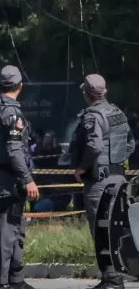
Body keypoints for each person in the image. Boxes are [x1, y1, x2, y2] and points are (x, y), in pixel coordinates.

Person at [71, 74, 134, 289]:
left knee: (101, 229)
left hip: (99, 181)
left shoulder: (93, 116)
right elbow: (131, 142)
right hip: (118, 177)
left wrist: (82, 167)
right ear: (105, 91)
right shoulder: (117, 112)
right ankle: (115, 276)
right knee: (116, 228)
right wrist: (116, 161)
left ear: (86, 94)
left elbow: (94, 146)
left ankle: (112, 279)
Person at [0, 65, 40, 289]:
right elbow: (15, 149)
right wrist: (28, 179)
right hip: (11, 177)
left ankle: (15, 278)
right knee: (8, 230)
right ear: (20, 86)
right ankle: (1, 280)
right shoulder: (12, 112)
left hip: (0, 174)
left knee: (16, 227)